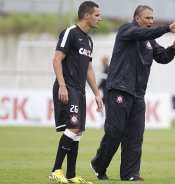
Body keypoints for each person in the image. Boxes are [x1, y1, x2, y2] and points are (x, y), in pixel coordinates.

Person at [90, 5, 175, 182]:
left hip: (138, 94)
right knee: (116, 131)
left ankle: (130, 174)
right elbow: (141, 34)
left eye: (152, 18)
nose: (151, 21)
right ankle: (99, 164)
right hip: (119, 89)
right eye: (148, 18)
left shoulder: (150, 40)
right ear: (137, 19)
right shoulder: (126, 30)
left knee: (135, 136)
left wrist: (173, 49)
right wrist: (166, 28)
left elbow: (162, 57)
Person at [49, 1, 103, 184]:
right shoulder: (70, 32)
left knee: (78, 131)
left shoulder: (88, 40)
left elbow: (88, 69)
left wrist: (96, 94)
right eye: (97, 15)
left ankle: (71, 175)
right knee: (72, 127)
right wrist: (62, 85)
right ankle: (56, 170)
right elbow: (56, 59)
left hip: (79, 91)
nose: (100, 19)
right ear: (87, 15)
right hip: (67, 87)